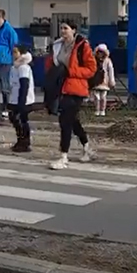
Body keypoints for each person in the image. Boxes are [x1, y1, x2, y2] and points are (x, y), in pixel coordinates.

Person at [47, 21, 97, 170]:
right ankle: (87, 146)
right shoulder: (58, 45)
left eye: (66, 28)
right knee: (72, 120)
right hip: (62, 87)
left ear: (74, 30)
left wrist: (72, 72)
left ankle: (64, 156)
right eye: (61, 28)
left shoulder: (82, 46)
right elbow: (54, 63)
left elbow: (91, 68)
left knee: (65, 121)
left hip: (77, 88)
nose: (63, 31)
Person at [7, 45, 35, 153]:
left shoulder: (23, 67)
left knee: (22, 120)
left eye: (15, 52)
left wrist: (21, 102)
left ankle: (25, 142)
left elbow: (24, 85)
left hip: (23, 99)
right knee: (15, 119)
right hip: (14, 97)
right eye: (13, 52)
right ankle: (20, 140)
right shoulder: (15, 67)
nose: (13, 55)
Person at [92, 43, 116, 117]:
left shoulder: (108, 61)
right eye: (99, 52)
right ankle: (97, 110)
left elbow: (111, 70)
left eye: (102, 52)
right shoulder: (93, 60)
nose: (100, 54)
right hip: (95, 81)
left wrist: (111, 80)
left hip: (104, 81)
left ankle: (102, 110)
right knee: (96, 97)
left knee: (103, 97)